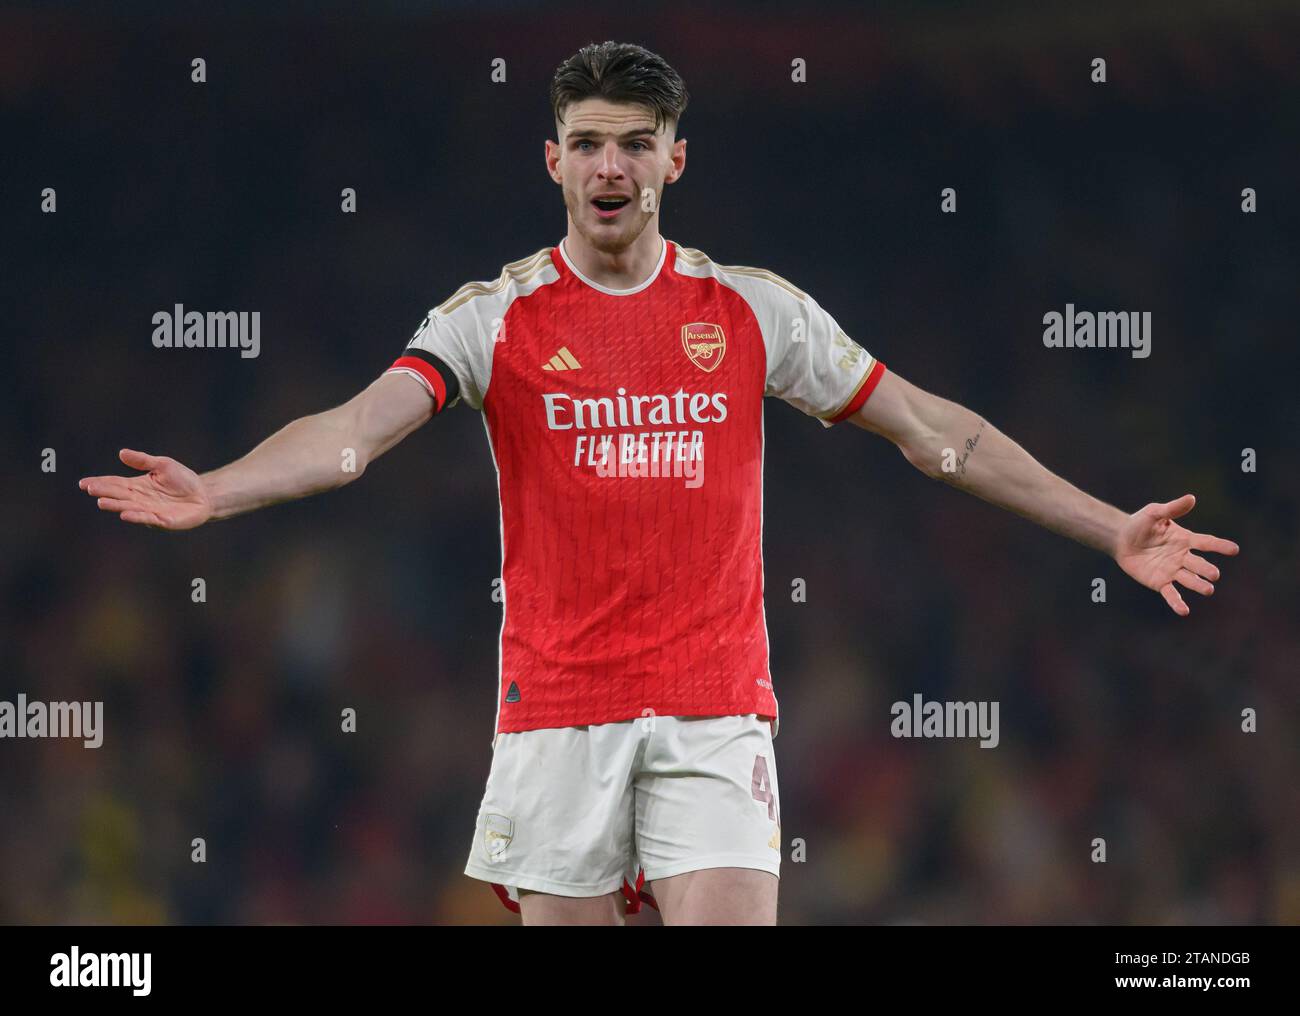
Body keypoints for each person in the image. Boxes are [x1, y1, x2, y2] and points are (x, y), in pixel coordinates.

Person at [79, 41, 1239, 926]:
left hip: (712, 708)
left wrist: (1107, 528)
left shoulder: (751, 309)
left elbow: (935, 431)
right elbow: (353, 432)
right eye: (587, 142)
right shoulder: (492, 319)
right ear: (553, 160)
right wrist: (219, 489)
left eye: (635, 142)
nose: (610, 166)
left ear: (674, 158)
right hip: (557, 716)